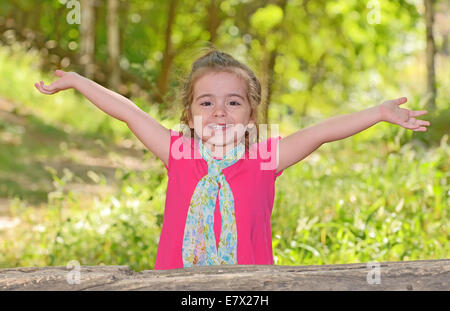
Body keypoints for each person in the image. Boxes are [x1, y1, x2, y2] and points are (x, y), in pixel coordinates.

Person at [34, 48, 430, 270]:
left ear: (250, 114)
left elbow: (322, 132)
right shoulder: (178, 152)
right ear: (189, 114)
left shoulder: (265, 159)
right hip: (178, 289)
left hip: (251, 292)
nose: (219, 111)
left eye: (233, 102)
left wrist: (377, 113)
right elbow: (129, 112)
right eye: (207, 102)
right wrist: (76, 81)